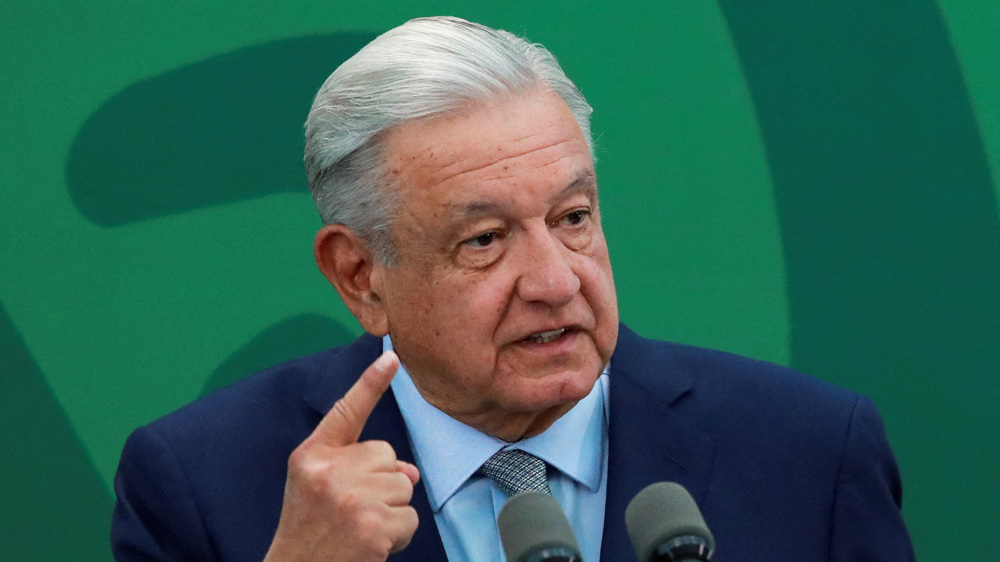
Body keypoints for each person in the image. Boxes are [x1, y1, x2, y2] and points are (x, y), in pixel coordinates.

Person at [111, 16, 914, 561]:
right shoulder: (203, 486)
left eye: (573, 217)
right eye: (485, 240)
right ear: (361, 276)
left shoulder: (810, 453)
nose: (557, 281)